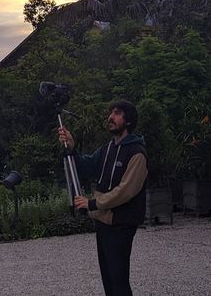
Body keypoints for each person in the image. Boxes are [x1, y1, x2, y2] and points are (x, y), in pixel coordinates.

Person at [57, 99, 147, 296]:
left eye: (116, 113)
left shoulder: (136, 153)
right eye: (110, 113)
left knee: (119, 280)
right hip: (103, 222)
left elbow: (125, 191)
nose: (111, 117)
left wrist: (92, 203)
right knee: (108, 279)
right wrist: (72, 147)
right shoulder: (107, 149)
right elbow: (87, 166)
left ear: (128, 121)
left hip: (121, 224)